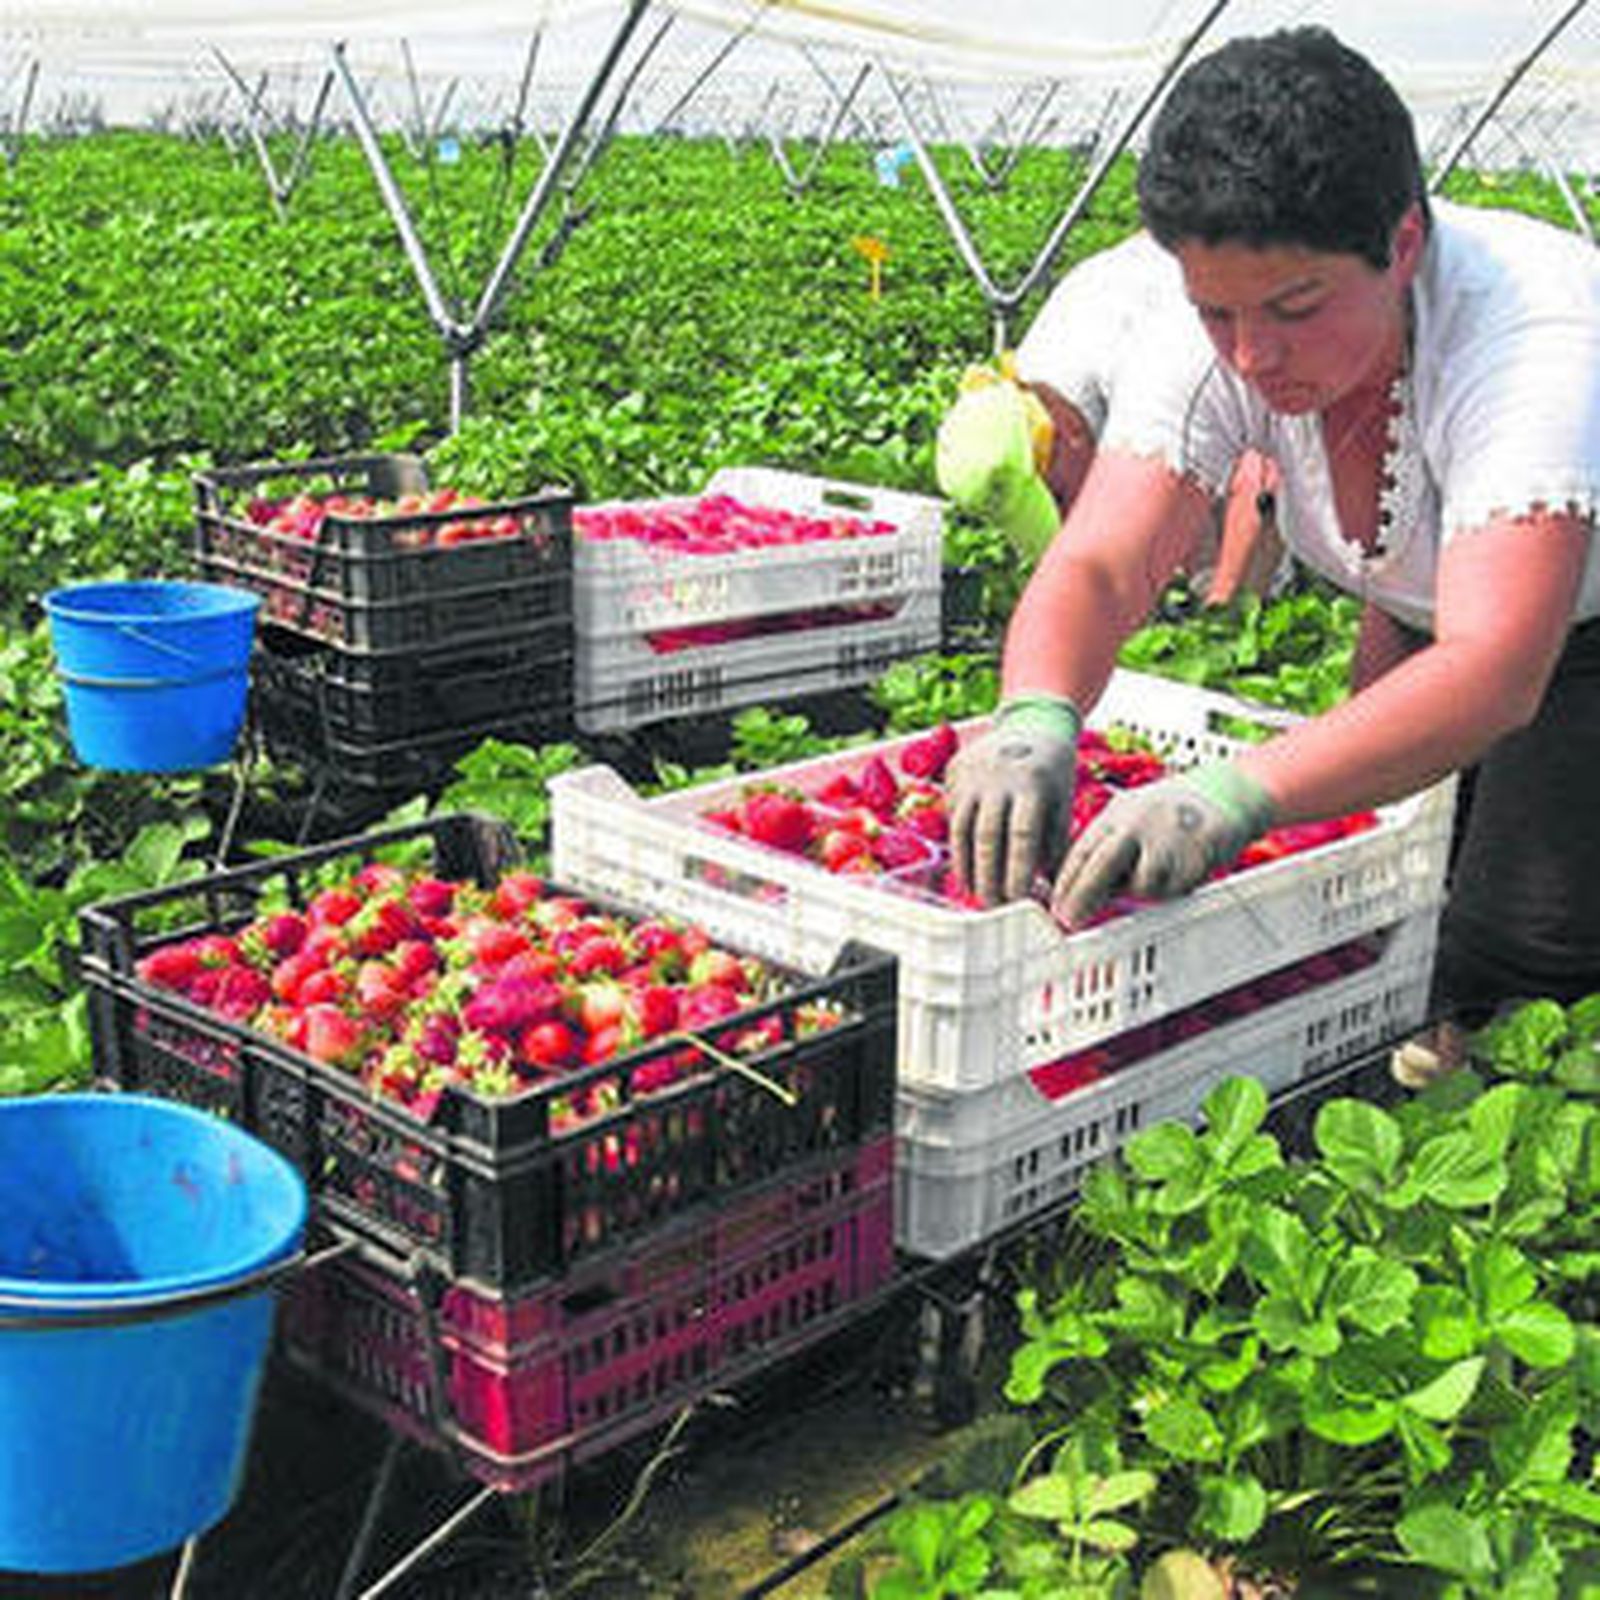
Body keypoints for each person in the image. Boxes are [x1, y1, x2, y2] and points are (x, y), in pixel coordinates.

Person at [947, 25, 1600, 1044]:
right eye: (1218, 314)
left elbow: (1496, 668)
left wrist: (1233, 793)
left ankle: (1524, 1099)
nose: (1251, 355)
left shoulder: (1532, 341)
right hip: (1428, 593)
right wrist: (1032, 713)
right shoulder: (1210, 327)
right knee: (1399, 872)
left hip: (1578, 618)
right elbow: (1105, 559)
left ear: (1404, 245)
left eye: (1296, 306)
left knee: (1522, 936)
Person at [934, 231, 1286, 603]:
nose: (1066, 517)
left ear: (1070, 433)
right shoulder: (1036, 372)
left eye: (1060, 496)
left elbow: (1265, 473)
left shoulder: (1155, 363)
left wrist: (1226, 613)